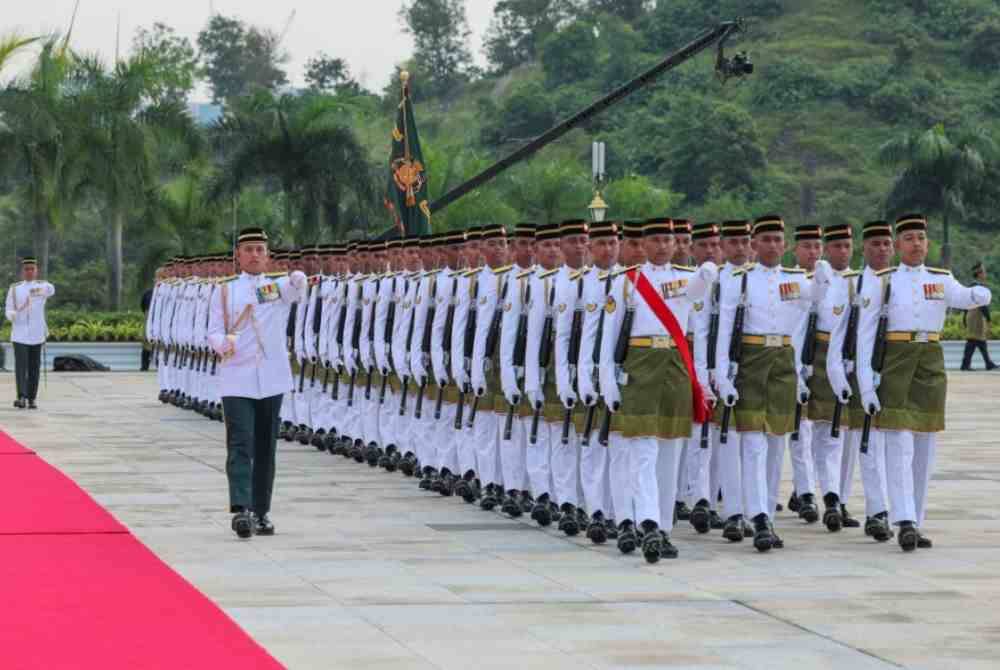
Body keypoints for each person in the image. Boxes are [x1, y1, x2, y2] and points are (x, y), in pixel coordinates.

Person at [857, 214, 992, 551]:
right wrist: (866, 387)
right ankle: (903, 519)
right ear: (897, 245)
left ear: (927, 244)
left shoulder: (941, 279)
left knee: (924, 448)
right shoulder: (883, 281)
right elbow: (864, 338)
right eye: (909, 239)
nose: (916, 244)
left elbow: (963, 297)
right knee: (897, 444)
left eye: (921, 238)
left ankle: (915, 519)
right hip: (896, 362)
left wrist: (980, 294)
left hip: (930, 361)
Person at [715, 215, 833, 552]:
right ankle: (759, 517)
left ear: (784, 245)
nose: (771, 245)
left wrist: (822, 276)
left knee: (776, 443)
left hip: (782, 361)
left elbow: (816, 297)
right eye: (764, 239)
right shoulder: (738, 280)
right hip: (750, 361)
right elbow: (725, 330)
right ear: (754, 244)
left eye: (777, 239)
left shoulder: (794, 280)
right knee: (752, 443)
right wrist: (722, 375)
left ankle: (765, 511)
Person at [207, 227, 307, 539]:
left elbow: (294, 292)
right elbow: (211, 330)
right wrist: (223, 343)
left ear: (268, 256)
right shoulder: (225, 291)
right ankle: (241, 509)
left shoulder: (274, 288)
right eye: (248, 249)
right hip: (237, 377)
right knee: (240, 442)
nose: (254, 255)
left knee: (266, 447)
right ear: (237, 255)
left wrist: (298, 278)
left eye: (260, 250)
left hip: (272, 378)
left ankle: (261, 511)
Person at [5, 257, 55, 409]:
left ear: (36, 270)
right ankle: (21, 397)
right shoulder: (14, 288)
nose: (29, 272)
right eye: (27, 269)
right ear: (22, 271)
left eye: (32, 269)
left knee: (34, 367)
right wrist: (12, 314)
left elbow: (51, 290)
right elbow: (8, 308)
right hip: (20, 334)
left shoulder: (43, 286)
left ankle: (32, 398)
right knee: (21, 367)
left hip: (36, 333)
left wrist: (34, 292)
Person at [960, 262, 996, 371]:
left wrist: (965, 317)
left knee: (977, 339)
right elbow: (983, 305)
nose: (985, 274)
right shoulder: (978, 287)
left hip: (972, 315)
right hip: (976, 316)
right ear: (979, 274)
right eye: (984, 272)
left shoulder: (972, 286)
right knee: (975, 339)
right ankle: (967, 364)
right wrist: (988, 319)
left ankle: (987, 363)